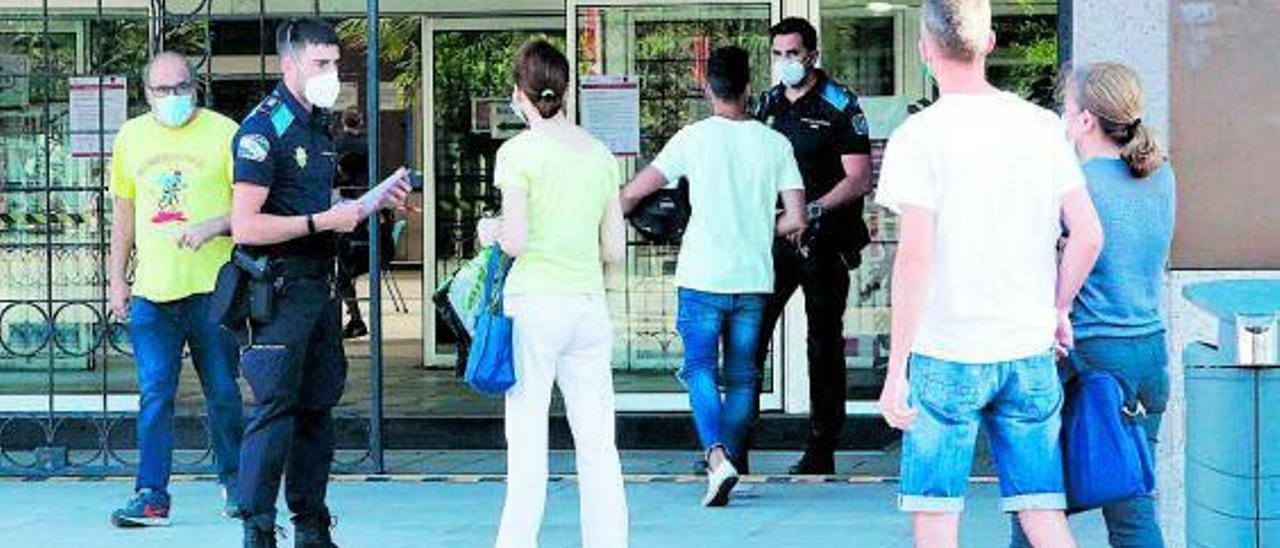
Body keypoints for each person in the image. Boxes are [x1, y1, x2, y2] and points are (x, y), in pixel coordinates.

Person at [874, 1, 1104, 547]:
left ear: (925, 52)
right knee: (1043, 513)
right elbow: (1088, 234)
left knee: (936, 518)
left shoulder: (919, 136)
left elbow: (915, 259)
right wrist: (1058, 308)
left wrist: (896, 366)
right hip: (1026, 347)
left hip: (945, 350)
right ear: (992, 43)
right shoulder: (1042, 127)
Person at [229, 18, 410, 547]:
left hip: (319, 287)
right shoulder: (263, 131)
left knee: (317, 411)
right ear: (290, 66)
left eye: (335, 63)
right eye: (321, 64)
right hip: (278, 289)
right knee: (274, 410)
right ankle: (258, 529)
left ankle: (312, 525)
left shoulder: (318, 125)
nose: (332, 73)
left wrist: (367, 202)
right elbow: (246, 224)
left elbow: (315, 204)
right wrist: (317, 223)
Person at [623, 46, 807, 507]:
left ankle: (716, 458)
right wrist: (760, 229)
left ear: (708, 88)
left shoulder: (692, 138)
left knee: (699, 369)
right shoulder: (775, 143)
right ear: (750, 89)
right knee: (743, 378)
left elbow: (634, 193)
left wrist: (612, 214)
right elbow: (798, 217)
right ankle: (732, 462)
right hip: (752, 279)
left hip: (702, 275)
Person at [1011, 62, 1176, 548]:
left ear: (1085, 120)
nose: (1062, 120)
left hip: (1091, 357)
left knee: (1034, 498)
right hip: (1149, 353)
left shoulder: (1076, 185)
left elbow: (1083, 244)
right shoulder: (1161, 176)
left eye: (1065, 110)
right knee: (1132, 507)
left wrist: (1056, 307)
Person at [478, 40, 629, 548]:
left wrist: (490, 230)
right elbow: (614, 248)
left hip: (534, 306)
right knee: (598, 446)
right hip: (588, 307)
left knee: (526, 442)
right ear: (564, 91)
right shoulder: (600, 154)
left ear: (519, 93)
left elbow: (515, 240)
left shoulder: (517, 153)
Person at [107, 51, 244, 528]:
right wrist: (116, 279)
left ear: (196, 86)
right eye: (162, 90)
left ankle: (237, 484)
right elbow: (123, 213)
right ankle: (151, 495)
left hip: (213, 289)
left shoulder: (226, 133)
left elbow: (250, 210)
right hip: (153, 292)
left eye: (181, 87)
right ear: (146, 94)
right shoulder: (131, 137)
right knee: (155, 396)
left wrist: (216, 225)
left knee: (224, 392)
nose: (172, 97)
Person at [748, 16, 875, 475]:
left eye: (793, 54)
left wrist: (812, 212)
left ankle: (822, 447)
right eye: (778, 54)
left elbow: (859, 177)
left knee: (822, 343)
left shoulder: (840, 105)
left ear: (812, 56)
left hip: (825, 241)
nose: (785, 62)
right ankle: (737, 444)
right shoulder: (765, 106)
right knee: (751, 337)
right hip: (776, 242)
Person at [334, 106, 371, 338]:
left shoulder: (336, 144)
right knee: (343, 274)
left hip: (342, 216)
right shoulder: (370, 146)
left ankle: (355, 319)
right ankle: (355, 319)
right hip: (365, 216)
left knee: (339, 273)